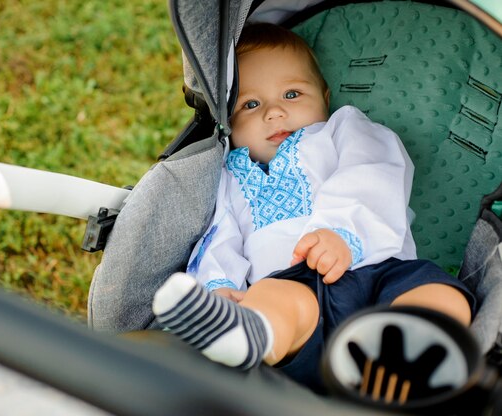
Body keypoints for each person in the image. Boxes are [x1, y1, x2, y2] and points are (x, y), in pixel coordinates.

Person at [151, 23, 475, 393]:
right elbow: (218, 237)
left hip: (377, 271)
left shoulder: (341, 130)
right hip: (294, 292)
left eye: (291, 94)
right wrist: (220, 286)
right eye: (251, 104)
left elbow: (374, 171)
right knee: (268, 299)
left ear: (324, 96)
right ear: (226, 121)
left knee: (437, 291)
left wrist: (340, 232)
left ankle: (411, 352)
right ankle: (248, 334)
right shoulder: (226, 174)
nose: (274, 113)